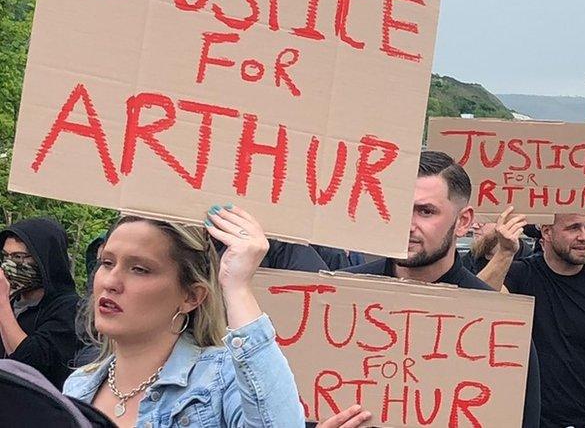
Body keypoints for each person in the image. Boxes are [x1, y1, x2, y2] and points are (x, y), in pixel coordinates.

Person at [343, 150, 542, 428]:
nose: (408, 225)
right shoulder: (340, 297)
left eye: (426, 211)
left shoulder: (500, 323)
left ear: (463, 221)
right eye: (400, 209)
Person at [64, 206, 305, 427]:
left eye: (139, 269)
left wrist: (237, 286)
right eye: (106, 263)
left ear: (191, 296)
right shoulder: (77, 387)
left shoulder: (220, 380)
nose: (110, 282)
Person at [479, 211, 585, 428]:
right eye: (573, 228)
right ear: (546, 232)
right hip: (525, 421)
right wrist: (505, 253)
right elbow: (477, 306)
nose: (584, 236)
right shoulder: (520, 276)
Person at [0, 218, 81, 390]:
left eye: (19, 257)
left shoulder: (69, 308)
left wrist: (2, 303)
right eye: (5, 256)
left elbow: (30, 364)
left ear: (44, 259)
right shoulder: (14, 301)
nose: (9, 264)